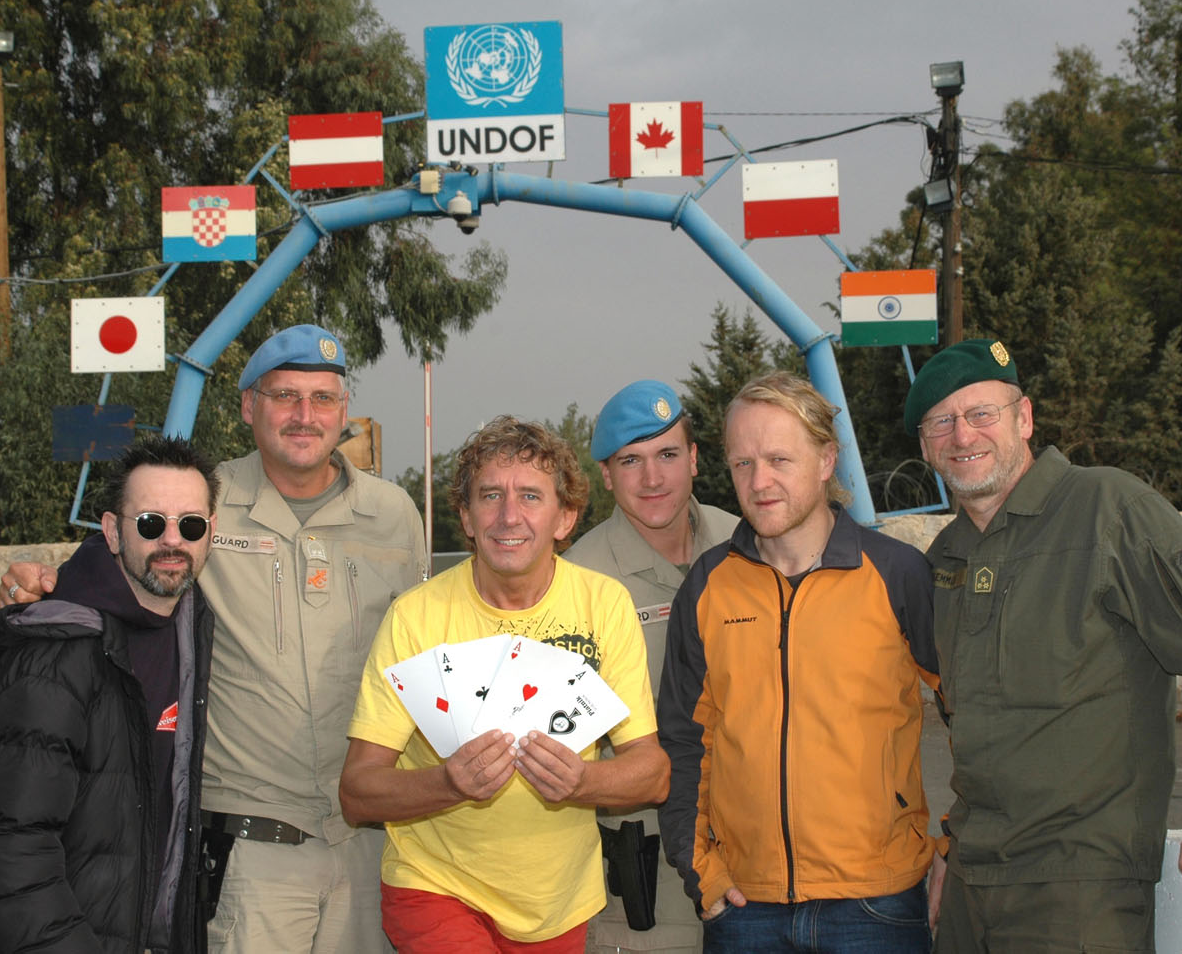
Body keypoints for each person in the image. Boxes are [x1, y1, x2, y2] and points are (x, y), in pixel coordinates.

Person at [0, 324, 428, 954]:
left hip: (373, 843)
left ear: (345, 413)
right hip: (253, 855)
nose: (304, 416)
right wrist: (35, 586)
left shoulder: (394, 514)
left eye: (323, 398)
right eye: (284, 396)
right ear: (250, 406)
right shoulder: (204, 500)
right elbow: (116, 572)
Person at [905, 338, 1182, 951]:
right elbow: (973, 730)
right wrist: (953, 846)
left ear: (1024, 418)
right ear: (924, 446)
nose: (962, 435)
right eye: (942, 423)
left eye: (982, 413)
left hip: (1082, 890)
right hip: (971, 891)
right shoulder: (942, 561)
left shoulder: (1110, 509)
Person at [339, 416, 670, 953]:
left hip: (556, 902)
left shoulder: (603, 604)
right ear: (466, 517)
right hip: (434, 887)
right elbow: (356, 793)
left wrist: (581, 781)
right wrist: (448, 783)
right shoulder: (414, 617)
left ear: (566, 517)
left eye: (531, 497)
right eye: (490, 496)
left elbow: (652, 774)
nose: (508, 515)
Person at [658, 371, 941, 954]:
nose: (760, 482)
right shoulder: (709, 584)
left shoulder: (897, 574)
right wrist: (699, 871)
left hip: (878, 904)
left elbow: (981, 717)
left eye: (780, 459)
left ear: (826, 460)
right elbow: (684, 741)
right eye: (742, 464)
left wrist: (959, 847)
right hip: (742, 910)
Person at [0, 435, 220, 953]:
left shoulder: (191, 630)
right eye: (150, 523)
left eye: (191, 525)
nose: (173, 541)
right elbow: (6, 855)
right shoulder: (57, 657)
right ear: (112, 532)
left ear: (211, 534)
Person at [563, 379, 737, 953]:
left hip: (761, 843)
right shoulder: (579, 583)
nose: (653, 478)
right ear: (606, 476)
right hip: (649, 866)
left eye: (667, 454)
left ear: (693, 457)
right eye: (630, 461)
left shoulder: (745, 541)